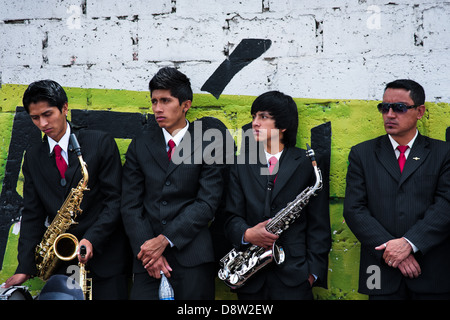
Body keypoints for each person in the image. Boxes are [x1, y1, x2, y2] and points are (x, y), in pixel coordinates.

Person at [1, 80, 129, 299]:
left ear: (65, 108)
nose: (43, 123)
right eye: (35, 118)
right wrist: (25, 266)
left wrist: (92, 239)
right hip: (63, 264)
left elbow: (115, 201)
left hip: (107, 261)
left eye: (48, 114)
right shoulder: (32, 158)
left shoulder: (100, 143)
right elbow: (32, 214)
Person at [121, 67, 225, 300]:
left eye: (165, 101)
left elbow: (207, 203)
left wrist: (164, 240)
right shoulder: (140, 145)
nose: (157, 108)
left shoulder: (208, 144)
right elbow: (130, 205)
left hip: (193, 257)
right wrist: (150, 251)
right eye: (154, 101)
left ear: (185, 105)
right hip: (147, 260)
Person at [343, 79, 450, 299]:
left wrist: (410, 244)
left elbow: (446, 205)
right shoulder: (362, 154)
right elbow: (354, 209)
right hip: (380, 272)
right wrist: (393, 252)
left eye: (399, 108)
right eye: (384, 107)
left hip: (431, 272)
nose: (390, 114)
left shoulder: (443, 153)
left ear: (420, 111)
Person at [223, 91, 331, 300]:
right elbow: (230, 217)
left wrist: (312, 274)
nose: (255, 123)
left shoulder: (307, 163)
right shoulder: (240, 164)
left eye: (263, 117)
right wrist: (247, 234)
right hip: (250, 277)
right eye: (254, 116)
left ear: (283, 125)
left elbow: (319, 224)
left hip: (295, 277)